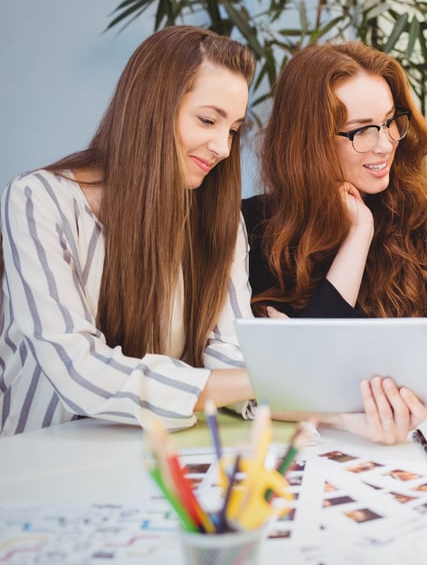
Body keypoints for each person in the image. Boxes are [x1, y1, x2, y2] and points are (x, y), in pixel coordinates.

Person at [0, 25, 257, 436]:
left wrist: (336, 406)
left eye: (233, 129)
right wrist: (263, 381)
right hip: (44, 457)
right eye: (208, 120)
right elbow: (78, 370)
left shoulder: (219, 217)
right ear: (151, 107)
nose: (223, 148)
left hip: (157, 454)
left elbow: (233, 353)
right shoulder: (38, 199)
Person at [242, 42, 427, 410]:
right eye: (361, 131)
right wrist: (358, 236)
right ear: (309, 140)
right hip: (317, 441)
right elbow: (291, 381)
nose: (384, 144)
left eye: (389, 122)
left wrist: (322, 366)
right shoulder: (256, 227)